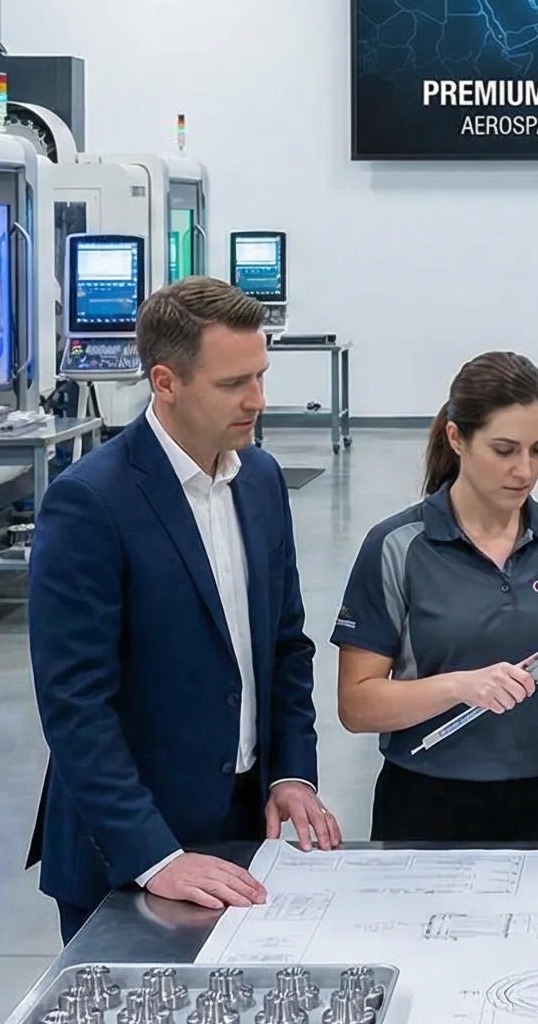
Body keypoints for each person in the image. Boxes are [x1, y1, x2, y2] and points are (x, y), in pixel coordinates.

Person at [26, 277, 341, 941]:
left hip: (245, 826)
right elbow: (75, 702)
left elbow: (285, 644)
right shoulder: (91, 502)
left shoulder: (258, 480)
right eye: (234, 384)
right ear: (165, 382)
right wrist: (153, 855)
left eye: (260, 376)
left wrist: (291, 772)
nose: (257, 400)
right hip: (131, 851)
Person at [332, 353, 538, 842]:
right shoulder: (397, 547)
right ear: (456, 438)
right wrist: (459, 687)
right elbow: (356, 707)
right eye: (504, 450)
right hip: (425, 805)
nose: (524, 470)